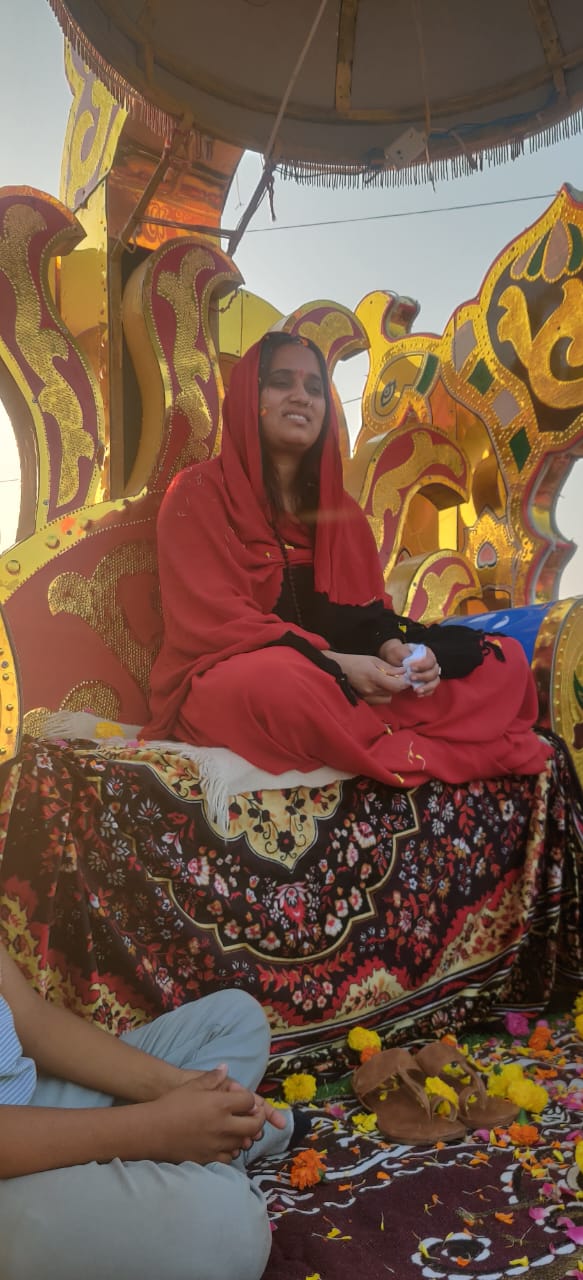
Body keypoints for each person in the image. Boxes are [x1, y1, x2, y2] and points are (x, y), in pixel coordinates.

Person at [143, 332, 550, 786]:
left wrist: (394, 650)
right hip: (251, 674)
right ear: (247, 399)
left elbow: (365, 616)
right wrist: (335, 664)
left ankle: (365, 731)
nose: (301, 396)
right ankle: (408, 737)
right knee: (278, 686)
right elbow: (216, 622)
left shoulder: (343, 516)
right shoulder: (198, 493)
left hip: (350, 684)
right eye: (281, 382)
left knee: (502, 661)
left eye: (315, 388)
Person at [0, 938, 294, 1280]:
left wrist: (180, 1085)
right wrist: (155, 1129)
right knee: (233, 1227)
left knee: (235, 1020)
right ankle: (213, 1155)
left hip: (28, 1104)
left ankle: (203, 1149)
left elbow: (29, 1018)